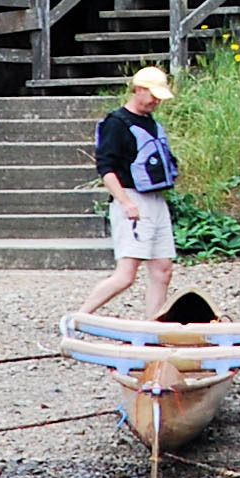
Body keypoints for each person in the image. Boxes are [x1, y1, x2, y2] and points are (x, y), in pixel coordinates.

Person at [77, 66, 179, 320]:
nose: (156, 101)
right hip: (132, 199)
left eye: (159, 96)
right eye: (152, 94)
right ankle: (80, 316)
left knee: (163, 269)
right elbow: (105, 168)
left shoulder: (151, 123)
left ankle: (153, 326)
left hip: (156, 200)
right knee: (126, 275)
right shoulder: (116, 123)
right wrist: (125, 202)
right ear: (138, 89)